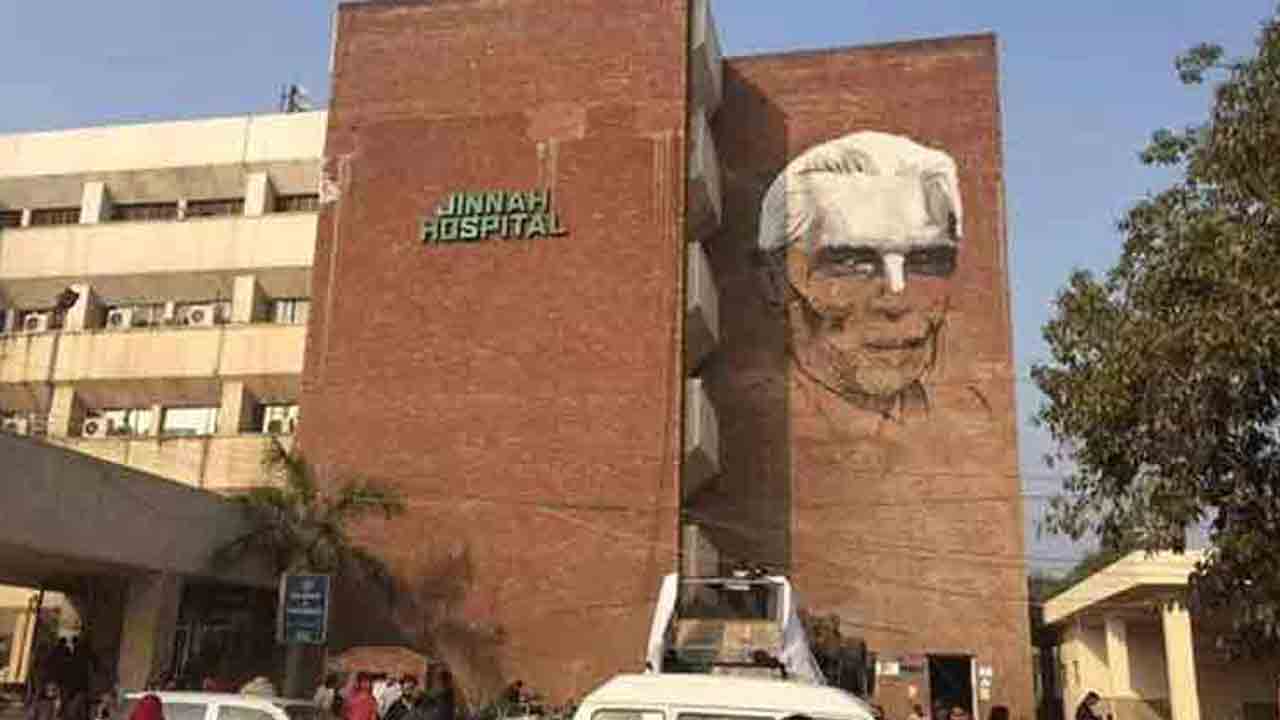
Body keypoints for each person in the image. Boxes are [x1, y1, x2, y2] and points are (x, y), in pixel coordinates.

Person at [757, 131, 964, 419]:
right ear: (776, 280)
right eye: (852, 262)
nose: (895, 301)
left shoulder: (969, 416)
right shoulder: (755, 421)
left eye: (926, 262)